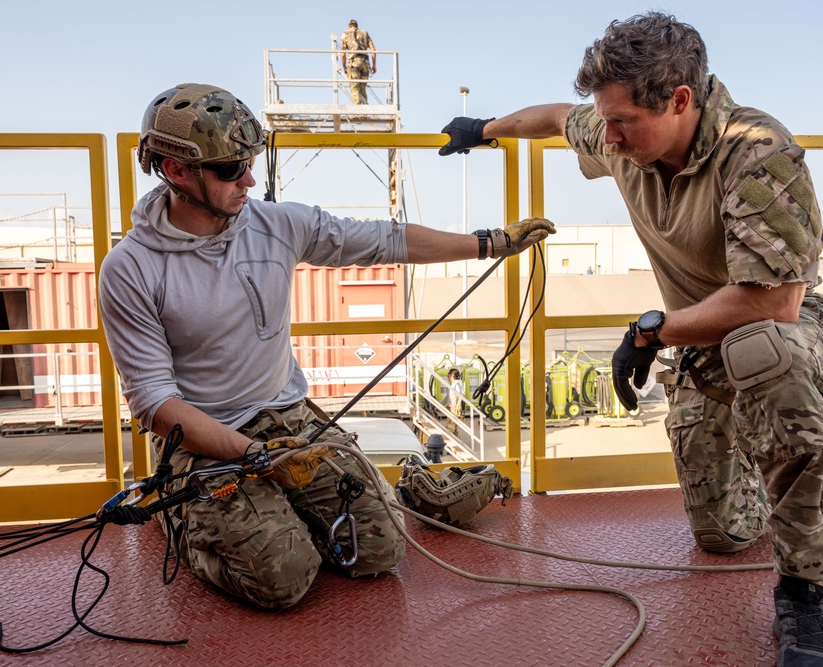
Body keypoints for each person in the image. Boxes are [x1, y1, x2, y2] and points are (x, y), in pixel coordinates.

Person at [439, 12, 823, 667]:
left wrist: (653, 330)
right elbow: (555, 117)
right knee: (721, 533)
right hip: (700, 339)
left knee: (764, 352)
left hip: (789, 327)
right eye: (604, 119)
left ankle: (805, 591)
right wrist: (483, 130)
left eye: (623, 121)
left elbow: (774, 301)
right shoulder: (617, 131)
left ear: (680, 101)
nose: (605, 136)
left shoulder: (758, 149)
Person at [98, 83, 554, 611]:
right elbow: (156, 405)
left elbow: (385, 238)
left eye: (250, 163)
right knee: (282, 579)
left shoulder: (274, 225)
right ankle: (178, 516)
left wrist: (490, 243)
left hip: (288, 419)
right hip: (205, 439)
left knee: (379, 550)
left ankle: (272, 517)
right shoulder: (131, 269)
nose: (248, 180)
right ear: (176, 171)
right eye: (230, 169)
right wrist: (256, 457)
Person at [340, 19, 375, 104]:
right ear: (357, 26)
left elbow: (342, 53)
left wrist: (344, 66)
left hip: (354, 62)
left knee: (355, 87)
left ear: (349, 26)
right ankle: (364, 111)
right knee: (362, 88)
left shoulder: (345, 34)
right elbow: (373, 49)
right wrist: (374, 65)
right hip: (365, 62)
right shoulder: (365, 33)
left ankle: (359, 112)